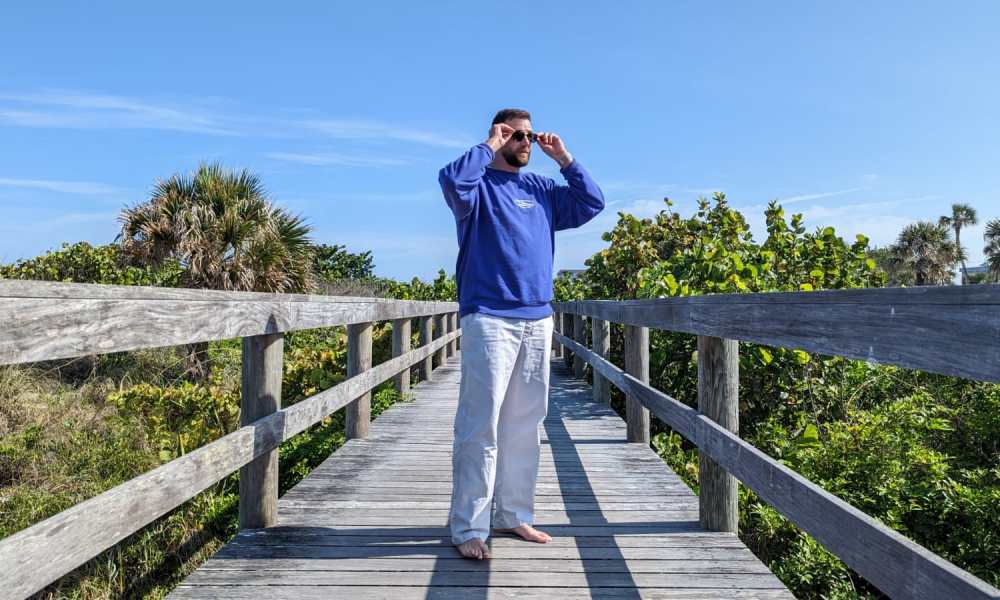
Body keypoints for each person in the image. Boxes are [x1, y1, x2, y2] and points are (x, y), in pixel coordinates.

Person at [438, 108, 605, 560]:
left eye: (529, 135)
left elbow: (592, 203)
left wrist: (565, 159)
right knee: (481, 425)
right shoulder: (476, 189)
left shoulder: (542, 189)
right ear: (498, 135)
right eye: (515, 135)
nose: (525, 141)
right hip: (489, 316)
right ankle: (469, 526)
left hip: (537, 318)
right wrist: (490, 144)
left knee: (525, 426)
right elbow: (451, 181)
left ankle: (512, 515)